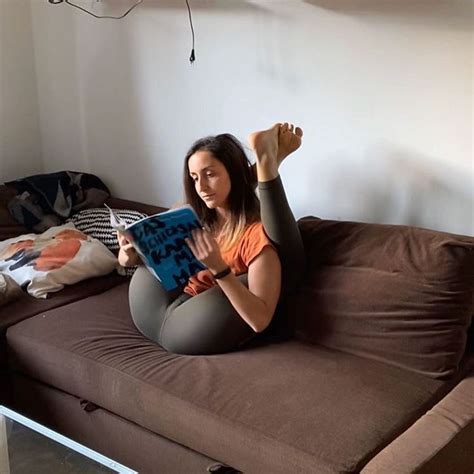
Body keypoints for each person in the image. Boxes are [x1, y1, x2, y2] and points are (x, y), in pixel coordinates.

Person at [118, 122, 305, 355]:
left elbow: (260, 320)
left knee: (282, 264)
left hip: (188, 330)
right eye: (195, 177)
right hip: (149, 314)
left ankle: (267, 164)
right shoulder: (193, 217)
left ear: (235, 174)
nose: (201, 187)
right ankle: (267, 161)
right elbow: (135, 262)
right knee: (170, 224)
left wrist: (219, 268)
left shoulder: (255, 237)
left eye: (210, 174)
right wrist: (129, 255)